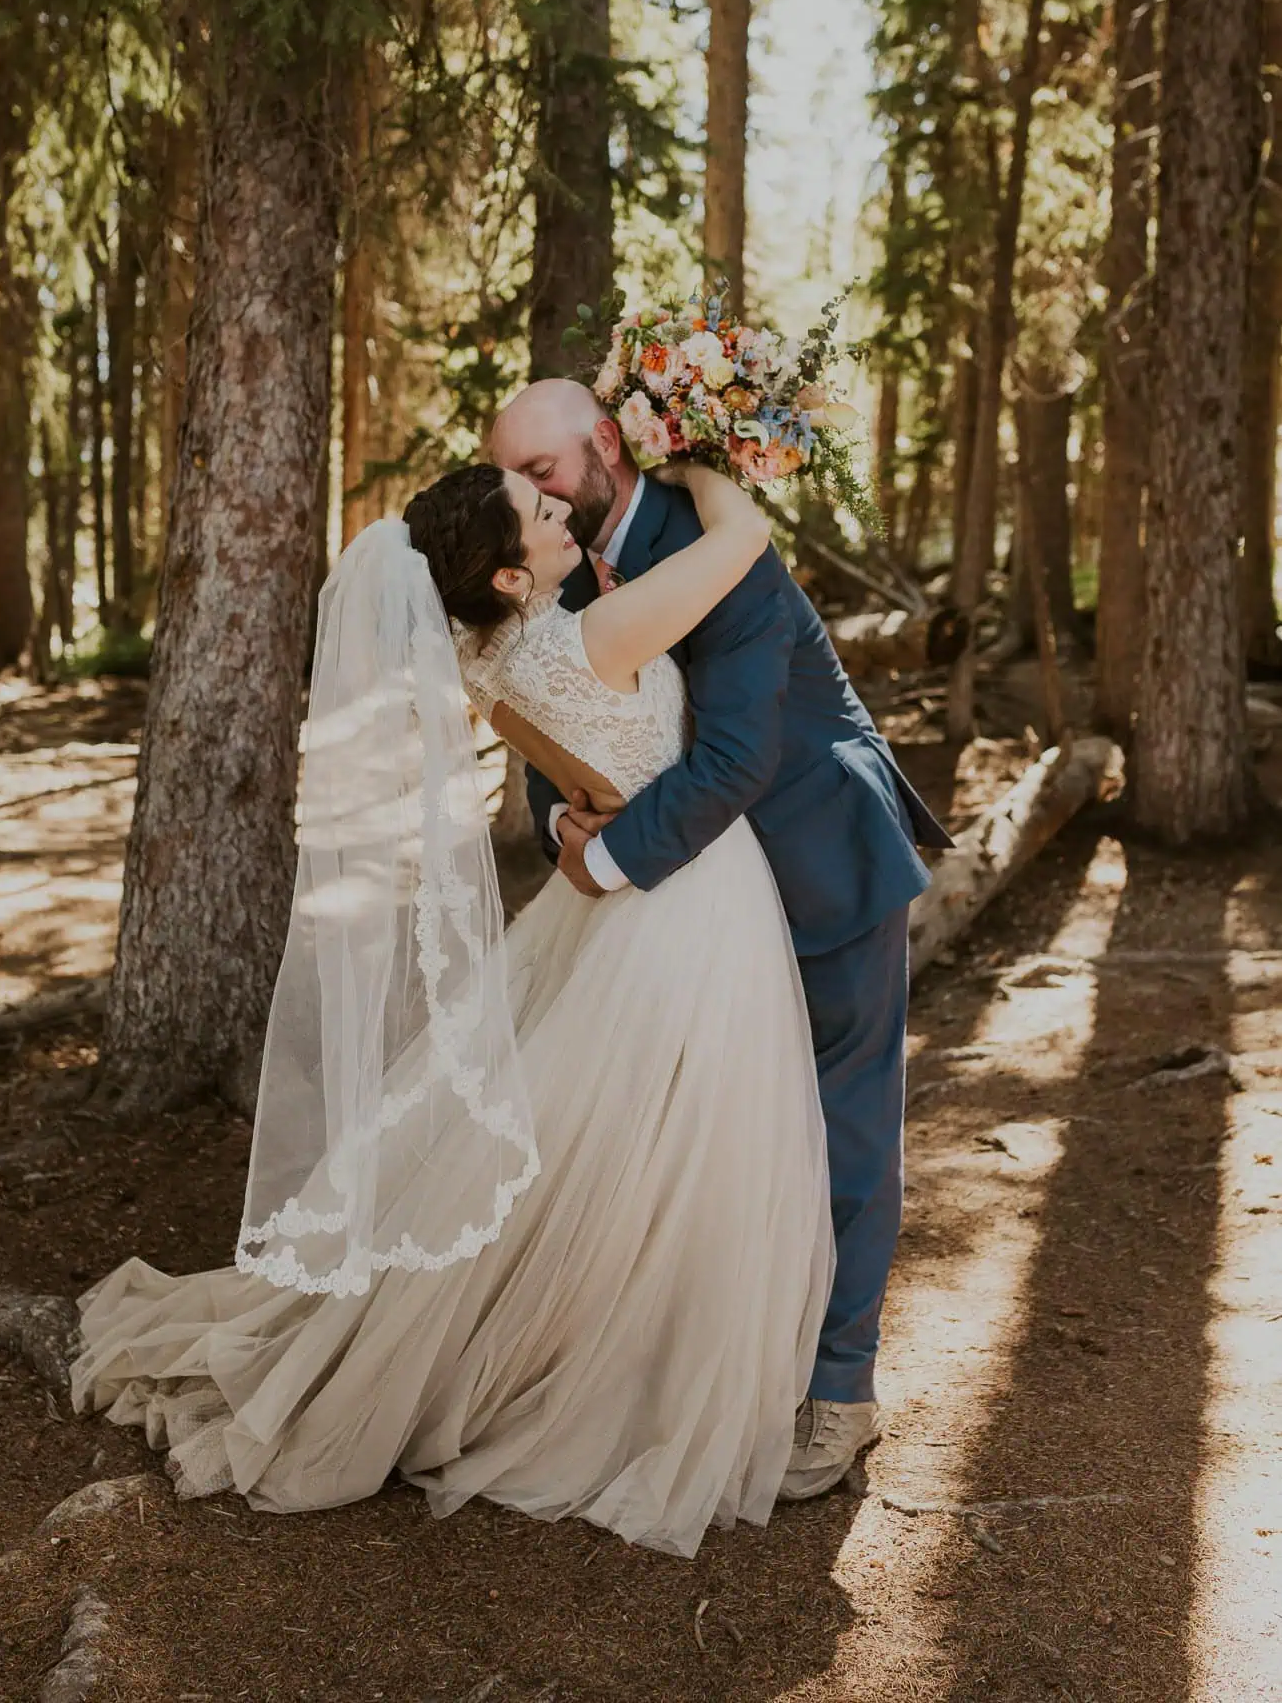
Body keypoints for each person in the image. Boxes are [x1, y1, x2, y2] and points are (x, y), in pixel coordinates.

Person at [71, 460, 834, 1558]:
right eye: (538, 512)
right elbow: (743, 536)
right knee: (685, 1148)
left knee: (620, 1151)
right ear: (516, 574)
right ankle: (626, 1373)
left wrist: (595, 821)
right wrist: (706, 456)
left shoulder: (485, 655)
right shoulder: (592, 636)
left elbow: (591, 771)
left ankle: (594, 1342)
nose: (561, 506)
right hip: (691, 911)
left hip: (620, 900)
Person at [490, 379, 952, 1499]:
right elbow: (565, 718)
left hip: (819, 852)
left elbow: (736, 755)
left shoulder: (710, 535)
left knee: (843, 1123)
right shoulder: (547, 560)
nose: (530, 494)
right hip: (700, 892)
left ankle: (839, 1393)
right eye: (515, 478)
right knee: (715, 1122)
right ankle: (719, 1355)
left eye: (543, 470)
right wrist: (563, 819)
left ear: (606, 443)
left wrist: (601, 860)